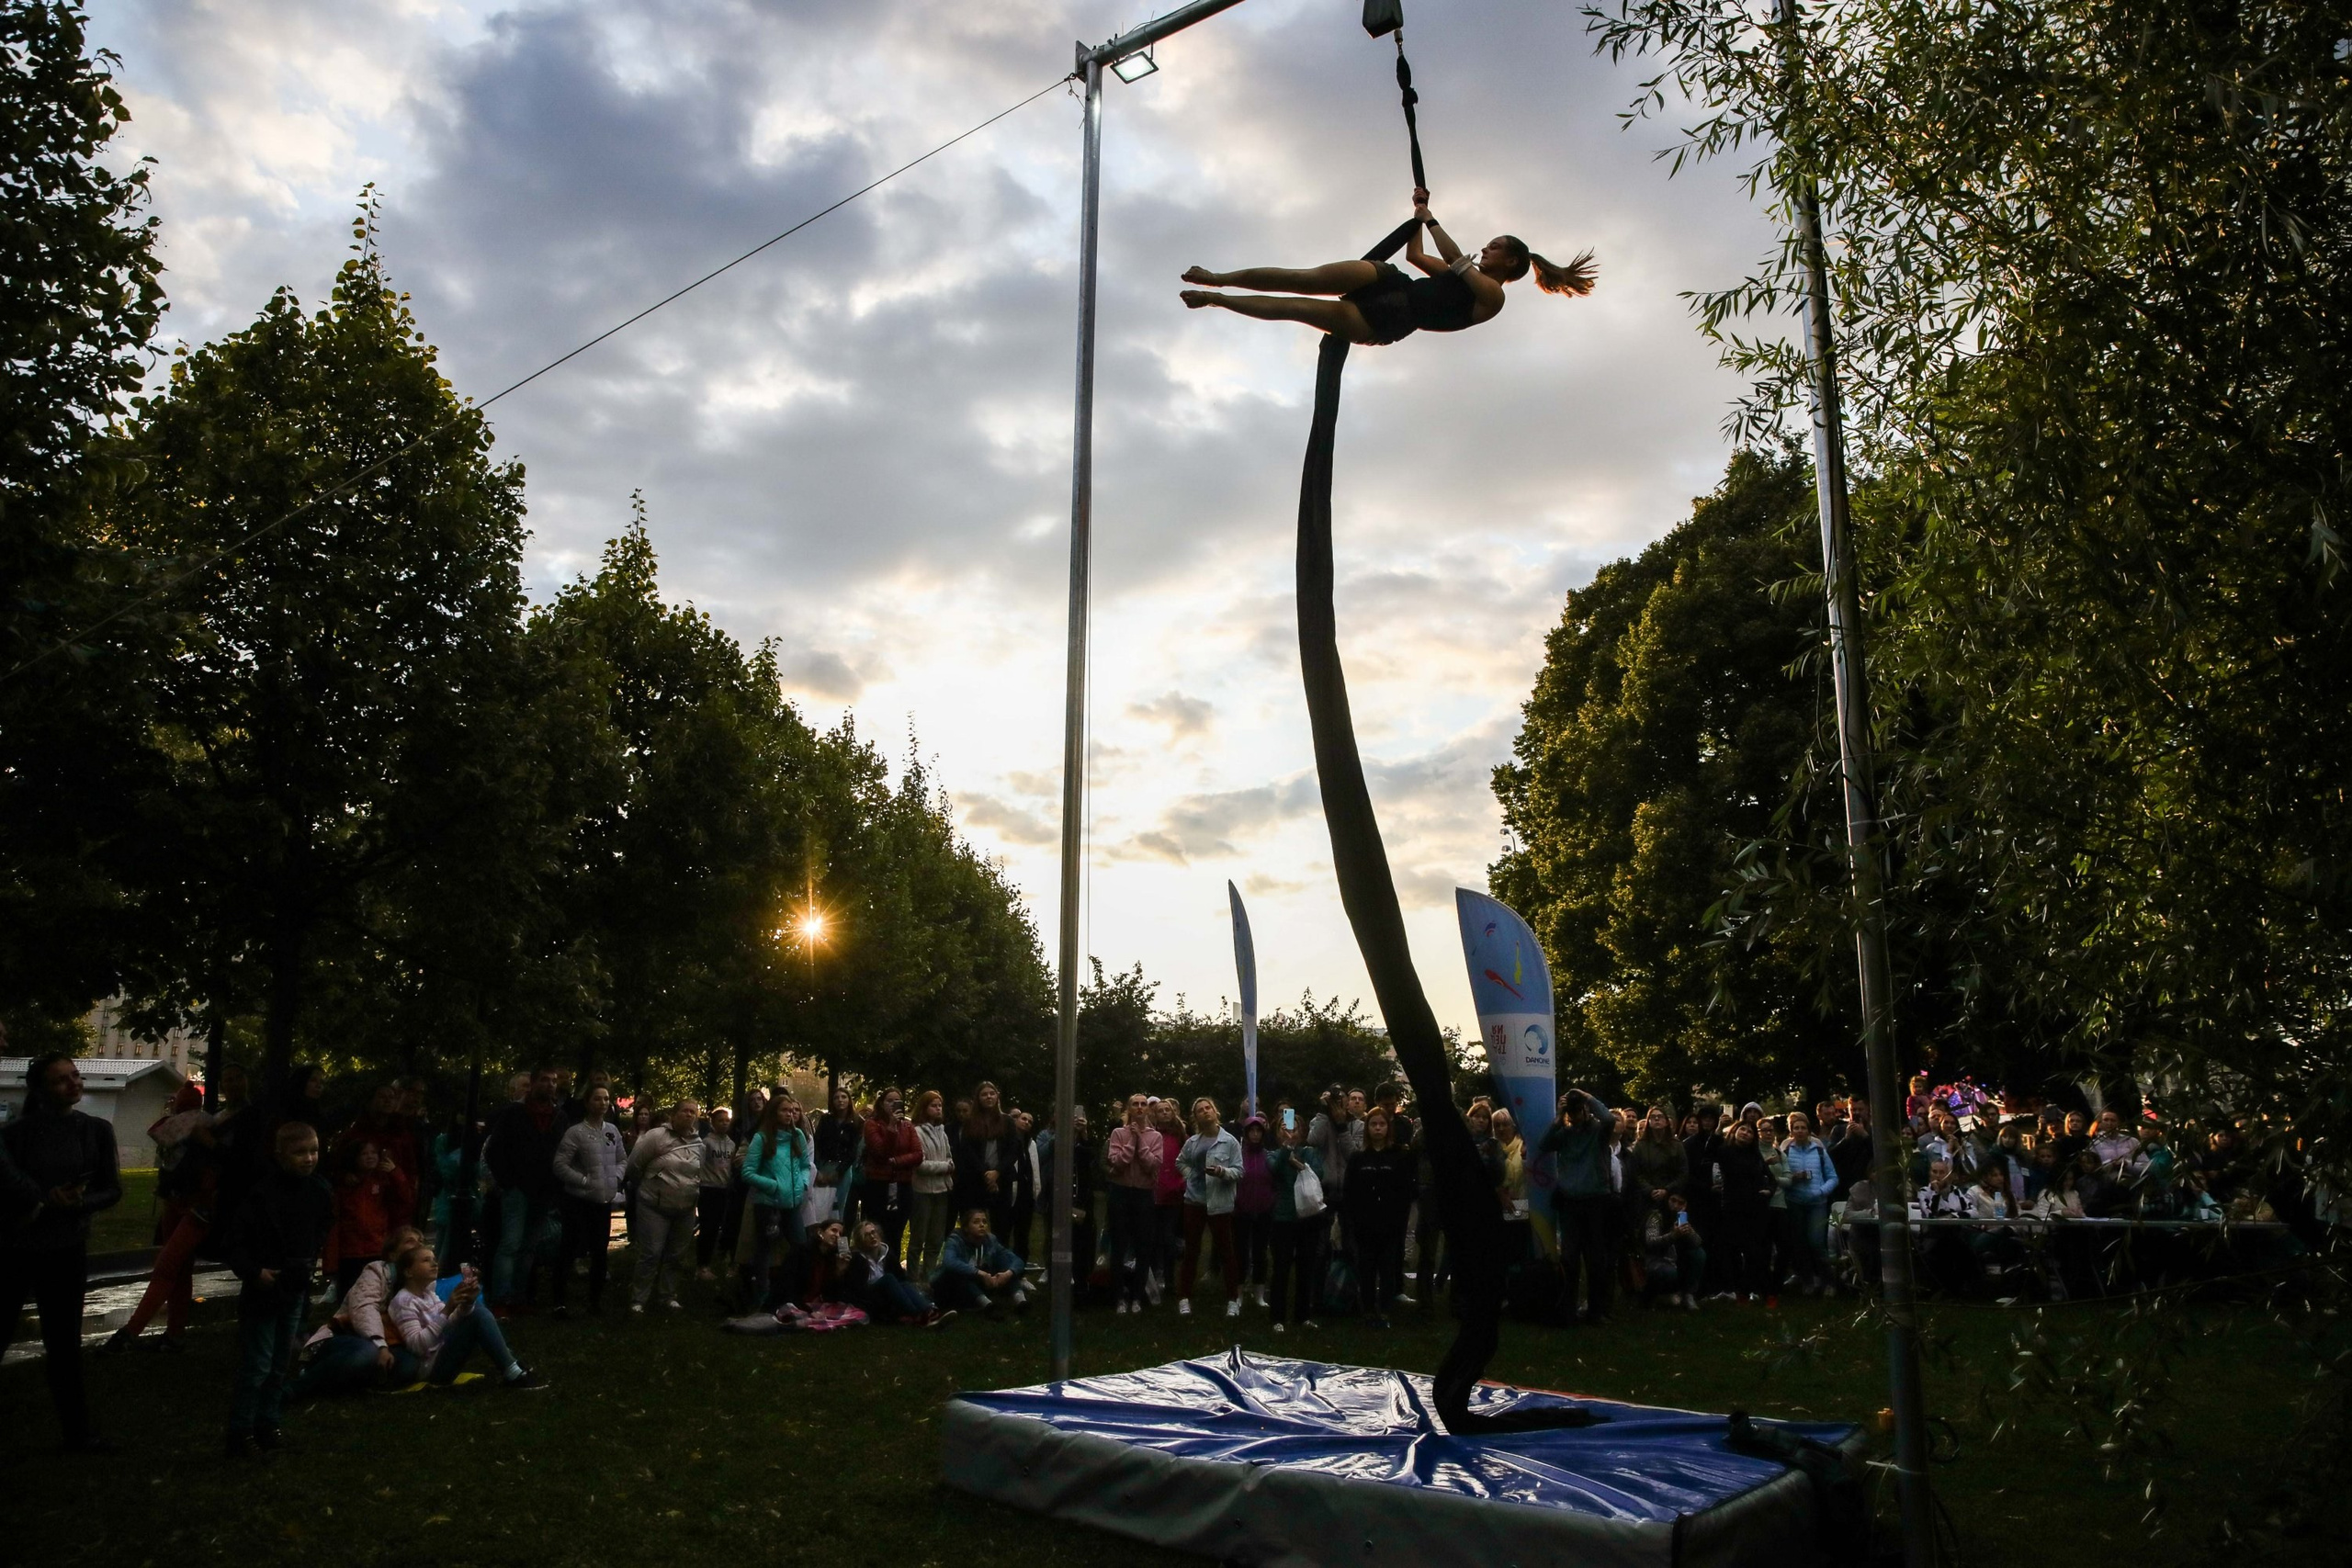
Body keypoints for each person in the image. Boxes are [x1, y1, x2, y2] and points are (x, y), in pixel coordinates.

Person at [1179, 188, 1594, 344]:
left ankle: (1217, 300)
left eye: (1495, 247)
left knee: (1295, 308)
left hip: (1389, 320)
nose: (1485, 249)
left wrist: (1430, 217)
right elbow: (1415, 257)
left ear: (1513, 261)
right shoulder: (1460, 273)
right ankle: (1219, 278)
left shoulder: (1494, 295)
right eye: (1488, 244)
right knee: (1302, 280)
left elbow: (1451, 258)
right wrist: (1416, 217)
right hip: (1391, 281)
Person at [0, 1052, 122, 1453]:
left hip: (66, 1248)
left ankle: (78, 1433)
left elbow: (112, 1188)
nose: (74, 1084)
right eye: (61, 1080)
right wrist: (36, 1201)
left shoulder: (96, 1130)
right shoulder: (17, 1134)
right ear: (40, 1089)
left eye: (76, 1075)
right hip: (18, 1246)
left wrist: (80, 1205)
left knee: (65, 1344)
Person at [107, 1066, 243, 1355]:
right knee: (179, 1268)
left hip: (196, 1202)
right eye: (228, 1078)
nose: (232, 1083)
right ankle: (174, 1334)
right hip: (186, 1199)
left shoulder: (228, 1121)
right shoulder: (211, 1119)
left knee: (168, 1265)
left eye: (237, 1078)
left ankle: (131, 1331)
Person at [222, 1120, 334, 1458]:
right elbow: (235, 1241)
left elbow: (322, 1228)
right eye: (300, 1152)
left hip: (294, 1283)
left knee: (281, 1358)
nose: (309, 1158)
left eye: (313, 1151)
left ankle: (268, 1422)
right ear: (280, 1154)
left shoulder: (319, 1191)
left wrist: (309, 1260)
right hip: (265, 1285)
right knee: (258, 1361)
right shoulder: (261, 1194)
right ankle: (241, 1430)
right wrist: (254, 1271)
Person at [293, 1225, 425, 1398]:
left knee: (409, 1366)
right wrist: (380, 1345)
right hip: (347, 1336)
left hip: (388, 1342)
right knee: (367, 1353)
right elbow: (364, 1309)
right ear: (392, 1254)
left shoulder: (418, 1281)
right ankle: (298, 1386)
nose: (418, 1245)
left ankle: (352, 1381)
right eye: (410, 1241)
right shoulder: (376, 1271)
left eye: (421, 1241)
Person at [385, 1243, 542, 1389]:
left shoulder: (428, 1294)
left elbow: (451, 1322)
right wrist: (448, 1309)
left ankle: (511, 1366)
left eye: (434, 1259)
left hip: (442, 1355)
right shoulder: (403, 1301)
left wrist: (467, 1302)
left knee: (476, 1309)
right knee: (478, 1313)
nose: (434, 1264)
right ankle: (512, 1370)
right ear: (408, 1272)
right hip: (431, 1370)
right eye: (426, 1260)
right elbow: (418, 1346)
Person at [484, 1066, 565, 1313]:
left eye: (554, 1080)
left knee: (529, 1245)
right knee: (511, 1243)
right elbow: (493, 1150)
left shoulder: (559, 1117)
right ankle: (501, 1297)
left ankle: (519, 1296)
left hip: (544, 1189)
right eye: (545, 1080)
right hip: (517, 1188)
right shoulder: (514, 1113)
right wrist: (507, 1182)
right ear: (533, 1083)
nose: (550, 1085)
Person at [1540, 1088, 1616, 1323]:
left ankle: (1596, 1310)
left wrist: (1588, 1097)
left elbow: (1610, 1118)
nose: (1575, 1114)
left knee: (1596, 1260)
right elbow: (1544, 1144)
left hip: (1595, 1200)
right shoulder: (1565, 1134)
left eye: (1577, 1109)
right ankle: (1568, 1310)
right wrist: (1558, 1115)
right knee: (1570, 1259)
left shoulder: (1597, 1131)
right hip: (1571, 1202)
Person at [552, 1083, 627, 1316]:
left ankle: (595, 1301)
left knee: (599, 1251)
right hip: (578, 1201)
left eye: (606, 1099)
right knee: (569, 1248)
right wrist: (584, 1181)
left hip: (602, 1202)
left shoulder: (612, 1131)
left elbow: (623, 1159)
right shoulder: (576, 1132)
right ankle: (559, 1300)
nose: (603, 1103)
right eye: (598, 1099)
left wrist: (614, 1177)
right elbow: (560, 1164)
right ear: (587, 1102)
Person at [626, 1100, 705, 1314]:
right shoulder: (656, 1137)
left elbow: (700, 1173)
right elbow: (634, 1165)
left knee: (677, 1255)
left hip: (685, 1207)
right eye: (685, 1111)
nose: (689, 1115)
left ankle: (668, 1295)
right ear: (674, 1114)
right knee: (651, 1252)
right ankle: (639, 1299)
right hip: (654, 1205)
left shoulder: (699, 1144)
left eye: (693, 1112)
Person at [740, 1094, 812, 1310]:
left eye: (792, 1110)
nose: (789, 1114)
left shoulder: (797, 1135)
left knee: (800, 1246)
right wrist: (772, 1185)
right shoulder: (761, 1138)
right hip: (768, 1204)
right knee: (764, 1250)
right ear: (774, 1113)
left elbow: (805, 1165)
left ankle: (793, 1293)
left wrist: (803, 1184)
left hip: (792, 1203)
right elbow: (747, 1172)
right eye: (784, 1110)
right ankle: (763, 1296)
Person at [1174, 1098, 1244, 1318]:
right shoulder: (1193, 1142)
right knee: (1192, 1250)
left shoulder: (1230, 1142)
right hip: (1194, 1201)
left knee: (1226, 1251)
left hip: (1219, 1202)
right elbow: (1180, 1162)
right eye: (1200, 1111)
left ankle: (1233, 1299)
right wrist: (1189, 1176)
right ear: (1195, 1117)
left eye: (1208, 1108)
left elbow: (1239, 1171)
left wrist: (1222, 1172)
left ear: (1216, 1112)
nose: (1205, 1112)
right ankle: (1184, 1297)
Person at [1348, 1107, 1416, 1329]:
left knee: (1388, 1270)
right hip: (1365, 1224)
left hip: (1390, 1224)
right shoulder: (1358, 1158)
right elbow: (1351, 1191)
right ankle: (1368, 1310)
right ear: (1367, 1128)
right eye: (1373, 1124)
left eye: (1382, 1124)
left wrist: (1398, 1220)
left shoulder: (1399, 1156)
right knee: (1366, 1269)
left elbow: (1405, 1191)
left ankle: (1385, 1310)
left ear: (1388, 1128)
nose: (1378, 1128)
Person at [1265, 1111, 1325, 1333]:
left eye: (1293, 1127)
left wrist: (1299, 1163)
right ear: (1277, 1132)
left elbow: (1319, 1172)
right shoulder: (1273, 1154)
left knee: (1306, 1267)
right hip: (1284, 1217)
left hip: (1308, 1217)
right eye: (1284, 1127)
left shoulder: (1310, 1153)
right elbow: (1275, 1169)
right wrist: (1286, 1149)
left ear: (1302, 1132)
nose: (1289, 1131)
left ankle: (1303, 1315)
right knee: (1281, 1267)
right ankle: (1277, 1316)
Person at [329, 1138, 413, 1293]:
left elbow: (405, 1198)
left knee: (377, 1292)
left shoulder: (382, 1180)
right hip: (350, 1252)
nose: (370, 1156)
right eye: (364, 1153)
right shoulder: (344, 1185)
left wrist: (395, 1172)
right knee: (351, 1292)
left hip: (377, 1246)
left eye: (373, 1152)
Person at [1104, 1093, 1164, 1314]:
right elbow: (1119, 1162)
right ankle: (1119, 1296)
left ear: (1148, 1110)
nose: (1139, 1108)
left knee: (1143, 1246)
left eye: (1143, 1104)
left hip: (1143, 1194)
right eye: (1135, 1104)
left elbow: (1151, 1165)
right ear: (1129, 1109)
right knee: (1118, 1246)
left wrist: (1141, 1140)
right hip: (1120, 1193)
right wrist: (1132, 1139)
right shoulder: (1118, 1133)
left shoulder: (1156, 1137)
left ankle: (1138, 1296)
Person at [1714, 1118, 1777, 1303]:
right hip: (1733, 1207)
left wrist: (1769, 1191)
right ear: (1734, 1131)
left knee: (1754, 1252)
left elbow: (1771, 1178)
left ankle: (1755, 1291)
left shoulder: (1755, 1155)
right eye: (1742, 1129)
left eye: (1750, 1132)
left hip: (1756, 1208)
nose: (1746, 1133)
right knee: (1732, 1251)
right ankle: (1737, 1290)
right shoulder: (1725, 1152)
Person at [860, 1087, 922, 1272]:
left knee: (897, 1230)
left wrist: (895, 1161)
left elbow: (918, 1155)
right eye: (889, 1101)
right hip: (878, 1185)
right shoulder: (872, 1124)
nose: (894, 1105)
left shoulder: (908, 1126)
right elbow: (880, 1152)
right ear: (882, 1103)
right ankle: (873, 1269)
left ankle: (893, 1270)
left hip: (902, 1185)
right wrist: (891, 1128)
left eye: (897, 1101)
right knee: (878, 1229)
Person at [844, 1219, 950, 1326]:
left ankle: (929, 1311)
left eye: (873, 1232)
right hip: (870, 1298)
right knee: (888, 1279)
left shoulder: (886, 1253)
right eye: (867, 1235)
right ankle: (918, 1314)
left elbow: (901, 1277)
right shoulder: (857, 1258)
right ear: (861, 1240)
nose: (872, 1237)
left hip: (889, 1296)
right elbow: (857, 1289)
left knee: (903, 1283)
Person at [1781, 1111, 1839, 1295]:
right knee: (1800, 1243)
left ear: (1808, 1130)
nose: (1799, 1131)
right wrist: (1792, 1180)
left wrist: (1821, 1191)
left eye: (1802, 1127)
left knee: (1816, 1243)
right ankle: (1808, 1281)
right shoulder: (1786, 1151)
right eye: (1796, 1128)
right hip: (1795, 1202)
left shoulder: (1819, 1150)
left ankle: (1829, 1281)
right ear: (1791, 1131)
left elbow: (1832, 1177)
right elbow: (1781, 1177)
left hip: (1817, 1202)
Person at [952, 1082, 1018, 1241]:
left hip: (1002, 1179)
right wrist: (986, 1174)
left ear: (997, 1096)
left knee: (1002, 1227)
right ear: (978, 1098)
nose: (989, 1097)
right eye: (984, 1094)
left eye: (992, 1093)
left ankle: (999, 1262)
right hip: (976, 1181)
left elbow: (1013, 1150)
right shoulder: (970, 1122)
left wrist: (997, 1172)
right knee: (974, 1226)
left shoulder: (1007, 1122)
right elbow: (968, 1152)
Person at [933, 1208, 1028, 1316]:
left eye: (984, 1222)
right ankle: (987, 1306)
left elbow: (1018, 1261)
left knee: (1006, 1262)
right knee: (961, 1273)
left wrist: (1007, 1274)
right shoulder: (955, 1240)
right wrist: (980, 1273)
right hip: (949, 1286)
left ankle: (1020, 1301)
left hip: (980, 1282)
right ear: (966, 1228)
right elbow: (949, 1262)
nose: (982, 1225)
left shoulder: (990, 1240)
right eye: (976, 1222)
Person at [910, 1090, 957, 1281]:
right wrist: (945, 1167)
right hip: (922, 1190)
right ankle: (912, 1278)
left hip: (942, 1190)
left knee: (936, 1238)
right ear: (924, 1108)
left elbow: (949, 1157)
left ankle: (929, 1276)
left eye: (940, 1106)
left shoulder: (942, 1131)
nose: (938, 1109)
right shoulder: (917, 1132)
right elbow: (920, 1163)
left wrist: (948, 1166)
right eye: (933, 1106)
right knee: (918, 1238)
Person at [1233, 1116, 1275, 1308]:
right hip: (1241, 1210)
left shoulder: (1269, 1156)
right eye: (1252, 1131)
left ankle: (1259, 1293)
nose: (1255, 1134)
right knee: (1240, 1252)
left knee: (1260, 1254)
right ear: (1247, 1133)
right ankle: (1239, 1292)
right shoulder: (1239, 1156)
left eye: (1259, 1131)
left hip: (1265, 1211)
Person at [1149, 1099, 1190, 1302]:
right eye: (1160, 1110)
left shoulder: (1181, 1136)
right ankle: (1155, 1275)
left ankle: (1169, 1277)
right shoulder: (1151, 1134)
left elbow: (1189, 1161)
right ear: (1154, 1114)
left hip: (1173, 1196)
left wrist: (1183, 1182)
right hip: (1153, 1194)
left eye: (1167, 1110)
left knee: (1168, 1237)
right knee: (1153, 1237)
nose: (1164, 1113)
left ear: (1173, 1113)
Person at [694, 1104, 738, 1281]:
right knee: (708, 1229)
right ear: (713, 1123)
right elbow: (699, 1165)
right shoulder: (706, 1143)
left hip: (724, 1189)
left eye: (727, 1120)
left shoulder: (731, 1143)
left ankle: (720, 1260)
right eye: (721, 1121)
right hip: (708, 1188)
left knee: (724, 1227)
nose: (725, 1123)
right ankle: (702, 1266)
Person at [812, 1085, 861, 1224]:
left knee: (840, 1207)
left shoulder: (856, 1122)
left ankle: (837, 1238)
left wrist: (838, 1173)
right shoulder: (826, 1120)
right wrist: (817, 1170)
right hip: (825, 1165)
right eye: (836, 1097)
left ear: (849, 1100)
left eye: (844, 1097)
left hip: (843, 1169)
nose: (840, 1100)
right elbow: (817, 1144)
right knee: (822, 1205)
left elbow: (853, 1152)